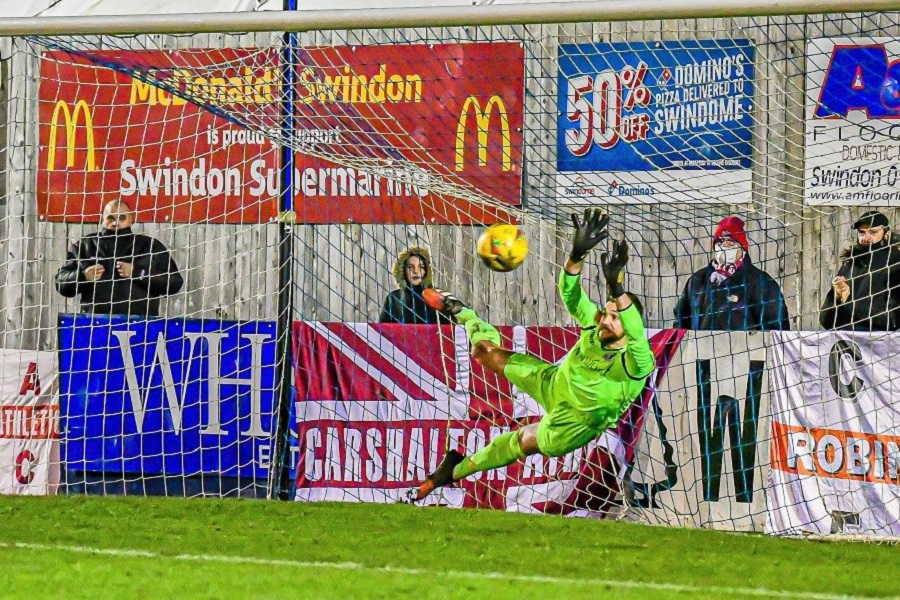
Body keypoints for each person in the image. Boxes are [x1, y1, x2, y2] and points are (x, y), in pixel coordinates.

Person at [412, 209, 654, 501]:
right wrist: (577, 254)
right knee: (484, 352)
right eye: (606, 313)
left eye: (615, 318)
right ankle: (465, 313)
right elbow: (571, 294)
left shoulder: (636, 362)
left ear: (628, 325)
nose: (604, 319)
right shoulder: (595, 324)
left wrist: (617, 287)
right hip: (553, 382)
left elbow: (638, 333)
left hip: (576, 421)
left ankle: (452, 471)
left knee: (523, 439)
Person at [55, 199, 183, 317]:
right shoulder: (85, 246)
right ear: (102, 219)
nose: (116, 222)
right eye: (111, 218)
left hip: (141, 326)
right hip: (95, 326)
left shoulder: (149, 246)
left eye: (122, 218)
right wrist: (83, 276)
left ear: (131, 219)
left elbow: (174, 283)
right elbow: (61, 283)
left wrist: (138, 272)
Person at [672, 216, 789, 331]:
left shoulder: (761, 283)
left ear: (742, 248)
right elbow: (680, 322)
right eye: (720, 241)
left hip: (746, 349)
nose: (724, 246)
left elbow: (777, 329)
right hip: (702, 348)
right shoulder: (698, 280)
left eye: (730, 242)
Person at [820, 210, 900, 331]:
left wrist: (849, 301)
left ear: (886, 234)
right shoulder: (851, 264)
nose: (866, 237)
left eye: (873, 232)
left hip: (880, 344)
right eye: (862, 232)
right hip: (847, 341)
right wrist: (836, 298)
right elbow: (826, 321)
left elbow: (893, 320)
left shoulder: (895, 263)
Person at [379, 246, 444, 324]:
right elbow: (382, 331)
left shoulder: (439, 296)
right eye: (410, 267)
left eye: (421, 267)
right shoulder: (393, 299)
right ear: (403, 270)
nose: (416, 271)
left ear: (426, 270)